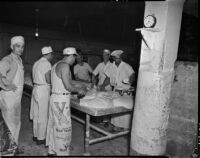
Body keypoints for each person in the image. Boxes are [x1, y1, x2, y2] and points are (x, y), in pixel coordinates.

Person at [46, 47, 87, 156]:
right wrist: (80, 90)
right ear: (72, 56)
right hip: (61, 101)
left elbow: (63, 81)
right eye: (75, 57)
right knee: (63, 128)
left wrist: (79, 84)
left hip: (55, 97)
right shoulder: (65, 66)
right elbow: (68, 86)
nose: (75, 60)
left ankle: (53, 150)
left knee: (55, 126)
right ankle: (62, 152)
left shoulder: (56, 64)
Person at [0, 36, 25, 154]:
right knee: (9, 124)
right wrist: (7, 86)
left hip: (17, 97)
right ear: (11, 47)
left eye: (22, 46)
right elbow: (0, 76)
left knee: (16, 122)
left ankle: (13, 147)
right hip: (9, 97)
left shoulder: (19, 60)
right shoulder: (7, 60)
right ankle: (7, 150)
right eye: (17, 46)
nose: (20, 49)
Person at [104, 50, 135, 131]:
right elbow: (107, 77)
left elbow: (133, 75)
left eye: (120, 58)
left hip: (126, 90)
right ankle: (116, 126)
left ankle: (126, 128)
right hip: (116, 89)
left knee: (125, 108)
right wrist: (103, 86)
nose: (118, 60)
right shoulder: (110, 67)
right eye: (116, 58)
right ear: (113, 58)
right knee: (116, 107)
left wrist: (129, 80)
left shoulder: (126, 66)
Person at [30, 46, 53, 145]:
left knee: (36, 113)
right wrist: (52, 85)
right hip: (43, 89)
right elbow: (48, 78)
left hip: (35, 88)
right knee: (43, 114)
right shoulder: (46, 64)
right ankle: (41, 138)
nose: (52, 56)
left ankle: (35, 135)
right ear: (49, 54)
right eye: (52, 54)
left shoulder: (36, 63)